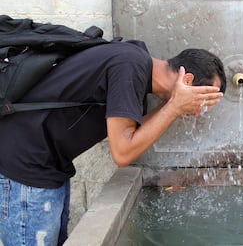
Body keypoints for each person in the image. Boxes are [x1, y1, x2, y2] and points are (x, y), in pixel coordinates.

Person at [0, 40, 227, 245]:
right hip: (26, 168)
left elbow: (134, 132)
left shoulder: (135, 63)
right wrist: (174, 106)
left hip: (46, 166)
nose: (199, 112)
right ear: (187, 81)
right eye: (203, 102)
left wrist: (170, 107)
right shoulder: (129, 67)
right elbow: (123, 153)